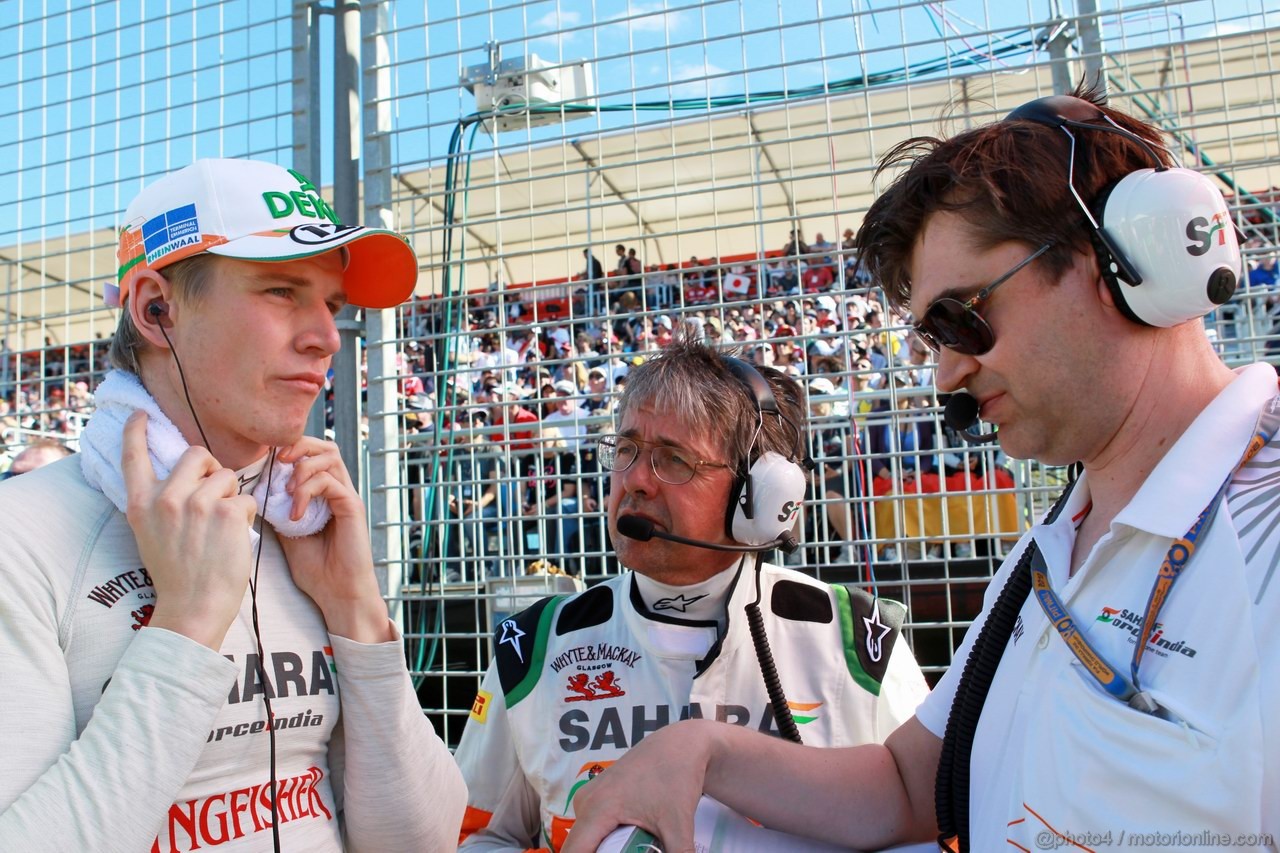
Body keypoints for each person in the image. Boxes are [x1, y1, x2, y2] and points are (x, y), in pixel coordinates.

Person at [563, 86, 1279, 853]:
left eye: (963, 317)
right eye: (933, 336)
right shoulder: (1049, 550)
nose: (945, 374)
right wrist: (700, 749)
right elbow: (910, 786)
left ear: (1126, 259)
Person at [0, 159, 466, 851]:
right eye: (282, 291)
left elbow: (425, 840)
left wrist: (358, 612)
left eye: (332, 305)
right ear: (157, 309)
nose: (327, 337)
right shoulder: (22, 540)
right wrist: (185, 629)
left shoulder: (298, 527)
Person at [454, 331, 928, 852]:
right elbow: (475, 835)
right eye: (627, 450)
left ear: (760, 497)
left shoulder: (854, 639)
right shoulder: (534, 645)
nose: (635, 481)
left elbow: (935, 824)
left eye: (673, 460)